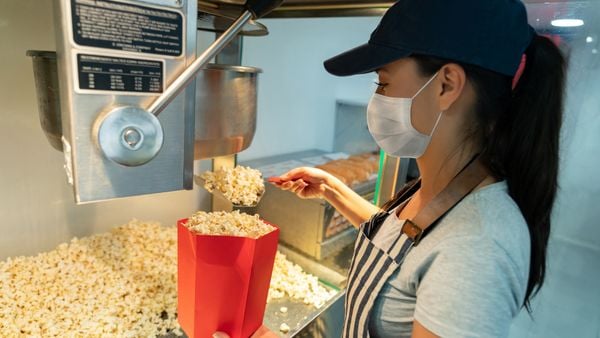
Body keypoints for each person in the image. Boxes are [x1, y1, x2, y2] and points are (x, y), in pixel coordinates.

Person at [268, 0, 566, 337]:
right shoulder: (446, 187)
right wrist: (331, 189)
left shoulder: (477, 250)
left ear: (446, 85)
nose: (376, 101)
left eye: (383, 83)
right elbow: (407, 242)